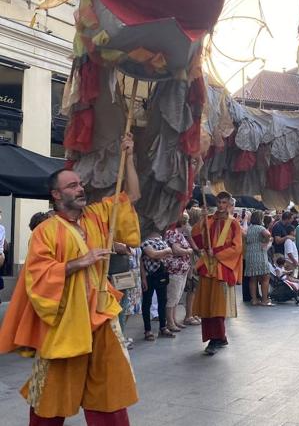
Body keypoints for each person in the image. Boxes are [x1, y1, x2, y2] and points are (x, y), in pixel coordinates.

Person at [0, 134, 141, 424]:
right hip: (65, 324)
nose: (81, 189)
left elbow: (132, 196)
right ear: (56, 194)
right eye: (72, 185)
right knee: (51, 395)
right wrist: (80, 262)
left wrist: (130, 157)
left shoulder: (97, 216)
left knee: (109, 392)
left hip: (102, 317)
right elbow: (37, 275)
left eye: (80, 184)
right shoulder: (46, 231)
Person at [191, 191, 243, 356]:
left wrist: (218, 253)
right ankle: (218, 338)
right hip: (207, 266)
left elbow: (237, 247)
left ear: (229, 205)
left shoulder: (233, 223)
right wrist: (202, 220)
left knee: (217, 304)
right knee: (207, 303)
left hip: (221, 267)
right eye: (219, 202)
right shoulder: (209, 219)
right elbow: (197, 239)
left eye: (224, 203)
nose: (221, 205)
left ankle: (217, 338)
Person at [141, 231, 174, 340]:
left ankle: (163, 327)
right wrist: (166, 251)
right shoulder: (145, 242)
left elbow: (168, 254)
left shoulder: (161, 241)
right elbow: (153, 254)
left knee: (162, 301)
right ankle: (147, 330)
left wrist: (161, 253)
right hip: (149, 275)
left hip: (161, 273)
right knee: (147, 302)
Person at [164, 212, 194, 332]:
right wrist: (189, 251)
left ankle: (174, 319)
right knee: (172, 296)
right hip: (174, 270)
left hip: (181, 270)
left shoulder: (179, 234)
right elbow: (176, 250)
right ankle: (170, 322)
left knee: (177, 296)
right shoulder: (172, 233)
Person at [244, 210, 273, 306]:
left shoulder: (250, 228)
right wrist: (266, 242)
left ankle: (254, 300)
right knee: (265, 277)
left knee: (253, 278)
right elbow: (268, 234)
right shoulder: (260, 228)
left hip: (250, 254)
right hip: (259, 254)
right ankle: (264, 300)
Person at [182, 206, 202, 325]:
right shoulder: (190, 229)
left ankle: (192, 313)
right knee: (192, 289)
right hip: (192, 260)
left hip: (193, 260)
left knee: (194, 289)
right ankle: (189, 315)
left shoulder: (190, 228)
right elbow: (195, 247)